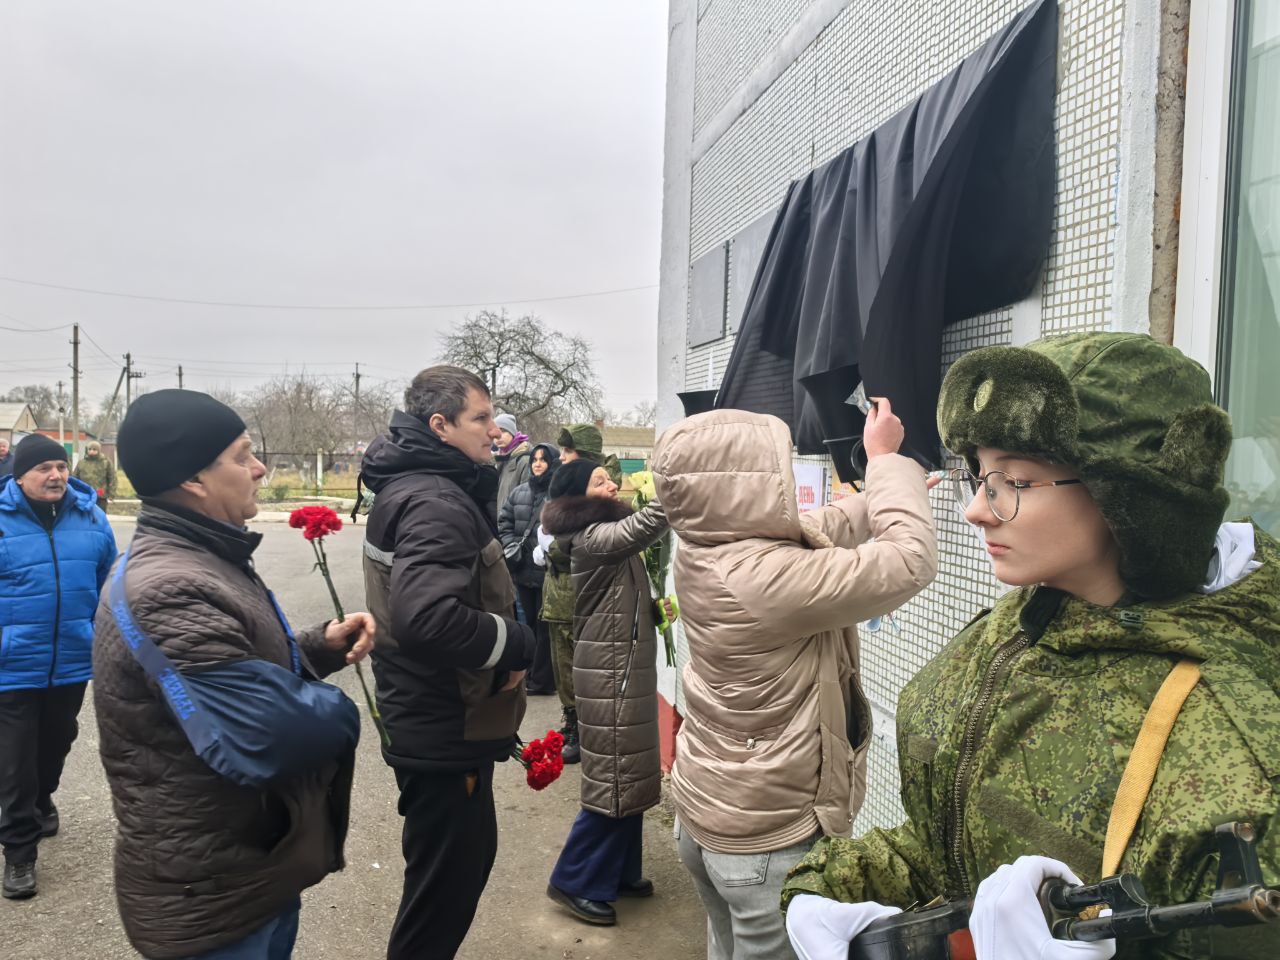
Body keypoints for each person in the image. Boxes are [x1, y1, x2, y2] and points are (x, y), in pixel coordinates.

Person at [781, 333, 1280, 960]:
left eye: (1012, 480)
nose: (974, 511)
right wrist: (828, 890)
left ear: (1132, 498)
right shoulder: (1013, 630)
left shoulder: (1235, 729)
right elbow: (951, 835)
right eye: (977, 476)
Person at [650, 401, 938, 960]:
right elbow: (909, 561)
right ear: (743, 484)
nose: (785, 478)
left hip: (715, 815)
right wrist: (884, 461)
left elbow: (812, 530)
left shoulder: (708, 546)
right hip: (766, 844)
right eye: (776, 466)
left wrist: (887, 489)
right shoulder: (760, 578)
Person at [93, 390, 373, 959]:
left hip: (247, 870)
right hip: (212, 899)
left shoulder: (197, 557)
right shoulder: (169, 587)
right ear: (194, 479)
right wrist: (346, 711)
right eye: (243, 455)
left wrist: (317, 649)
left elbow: (224, 669)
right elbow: (268, 732)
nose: (260, 468)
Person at [359, 365, 537, 960]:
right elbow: (425, 618)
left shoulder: (420, 485)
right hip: (442, 724)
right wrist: (515, 643)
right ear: (440, 425)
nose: (495, 431)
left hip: (430, 716)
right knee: (443, 892)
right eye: (481, 418)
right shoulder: (434, 500)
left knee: (444, 877)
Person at [541, 458, 668, 926]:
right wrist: (664, 481)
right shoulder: (591, 538)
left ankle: (617, 871)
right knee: (614, 776)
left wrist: (653, 611)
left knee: (628, 772)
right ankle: (574, 881)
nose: (612, 483)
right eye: (600, 480)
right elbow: (654, 520)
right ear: (578, 495)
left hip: (621, 669)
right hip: (609, 674)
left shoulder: (603, 536)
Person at [0, 435, 117, 900]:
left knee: (56, 743)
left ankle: (42, 797)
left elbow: (109, 584)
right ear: (20, 475)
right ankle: (19, 853)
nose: (55, 476)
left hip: (71, 660)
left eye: (60, 466)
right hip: (11, 665)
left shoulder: (92, 517)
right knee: (13, 762)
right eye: (44, 468)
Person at [498, 441, 559, 696]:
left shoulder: (558, 494)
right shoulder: (520, 492)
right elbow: (505, 522)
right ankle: (529, 673)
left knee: (545, 628)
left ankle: (543, 680)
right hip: (523, 570)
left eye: (543, 460)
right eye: (535, 459)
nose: (537, 464)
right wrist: (512, 545)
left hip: (547, 572)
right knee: (528, 624)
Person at [537, 484, 582, 764]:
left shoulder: (588, 507)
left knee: (574, 670)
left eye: (567, 451)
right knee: (561, 667)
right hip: (555, 598)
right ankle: (571, 720)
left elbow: (570, 551)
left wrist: (547, 544)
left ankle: (580, 728)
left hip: (572, 600)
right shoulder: (561, 495)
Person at [557, 422, 622, 485]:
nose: (561, 457)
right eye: (562, 450)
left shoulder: (599, 491)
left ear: (586, 456)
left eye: (568, 451)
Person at [494, 413, 533, 511]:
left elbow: (526, 502)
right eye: (495, 432)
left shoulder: (525, 461)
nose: (498, 436)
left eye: (503, 431)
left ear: (512, 432)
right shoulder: (499, 459)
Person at [73, 439, 116, 512]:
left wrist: (111, 494)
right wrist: (74, 492)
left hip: (100, 494)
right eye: (90, 449)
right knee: (85, 515)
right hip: (85, 494)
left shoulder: (105, 462)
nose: (91, 451)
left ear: (99, 450)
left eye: (94, 449)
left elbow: (112, 478)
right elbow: (75, 478)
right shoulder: (81, 463)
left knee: (100, 514)